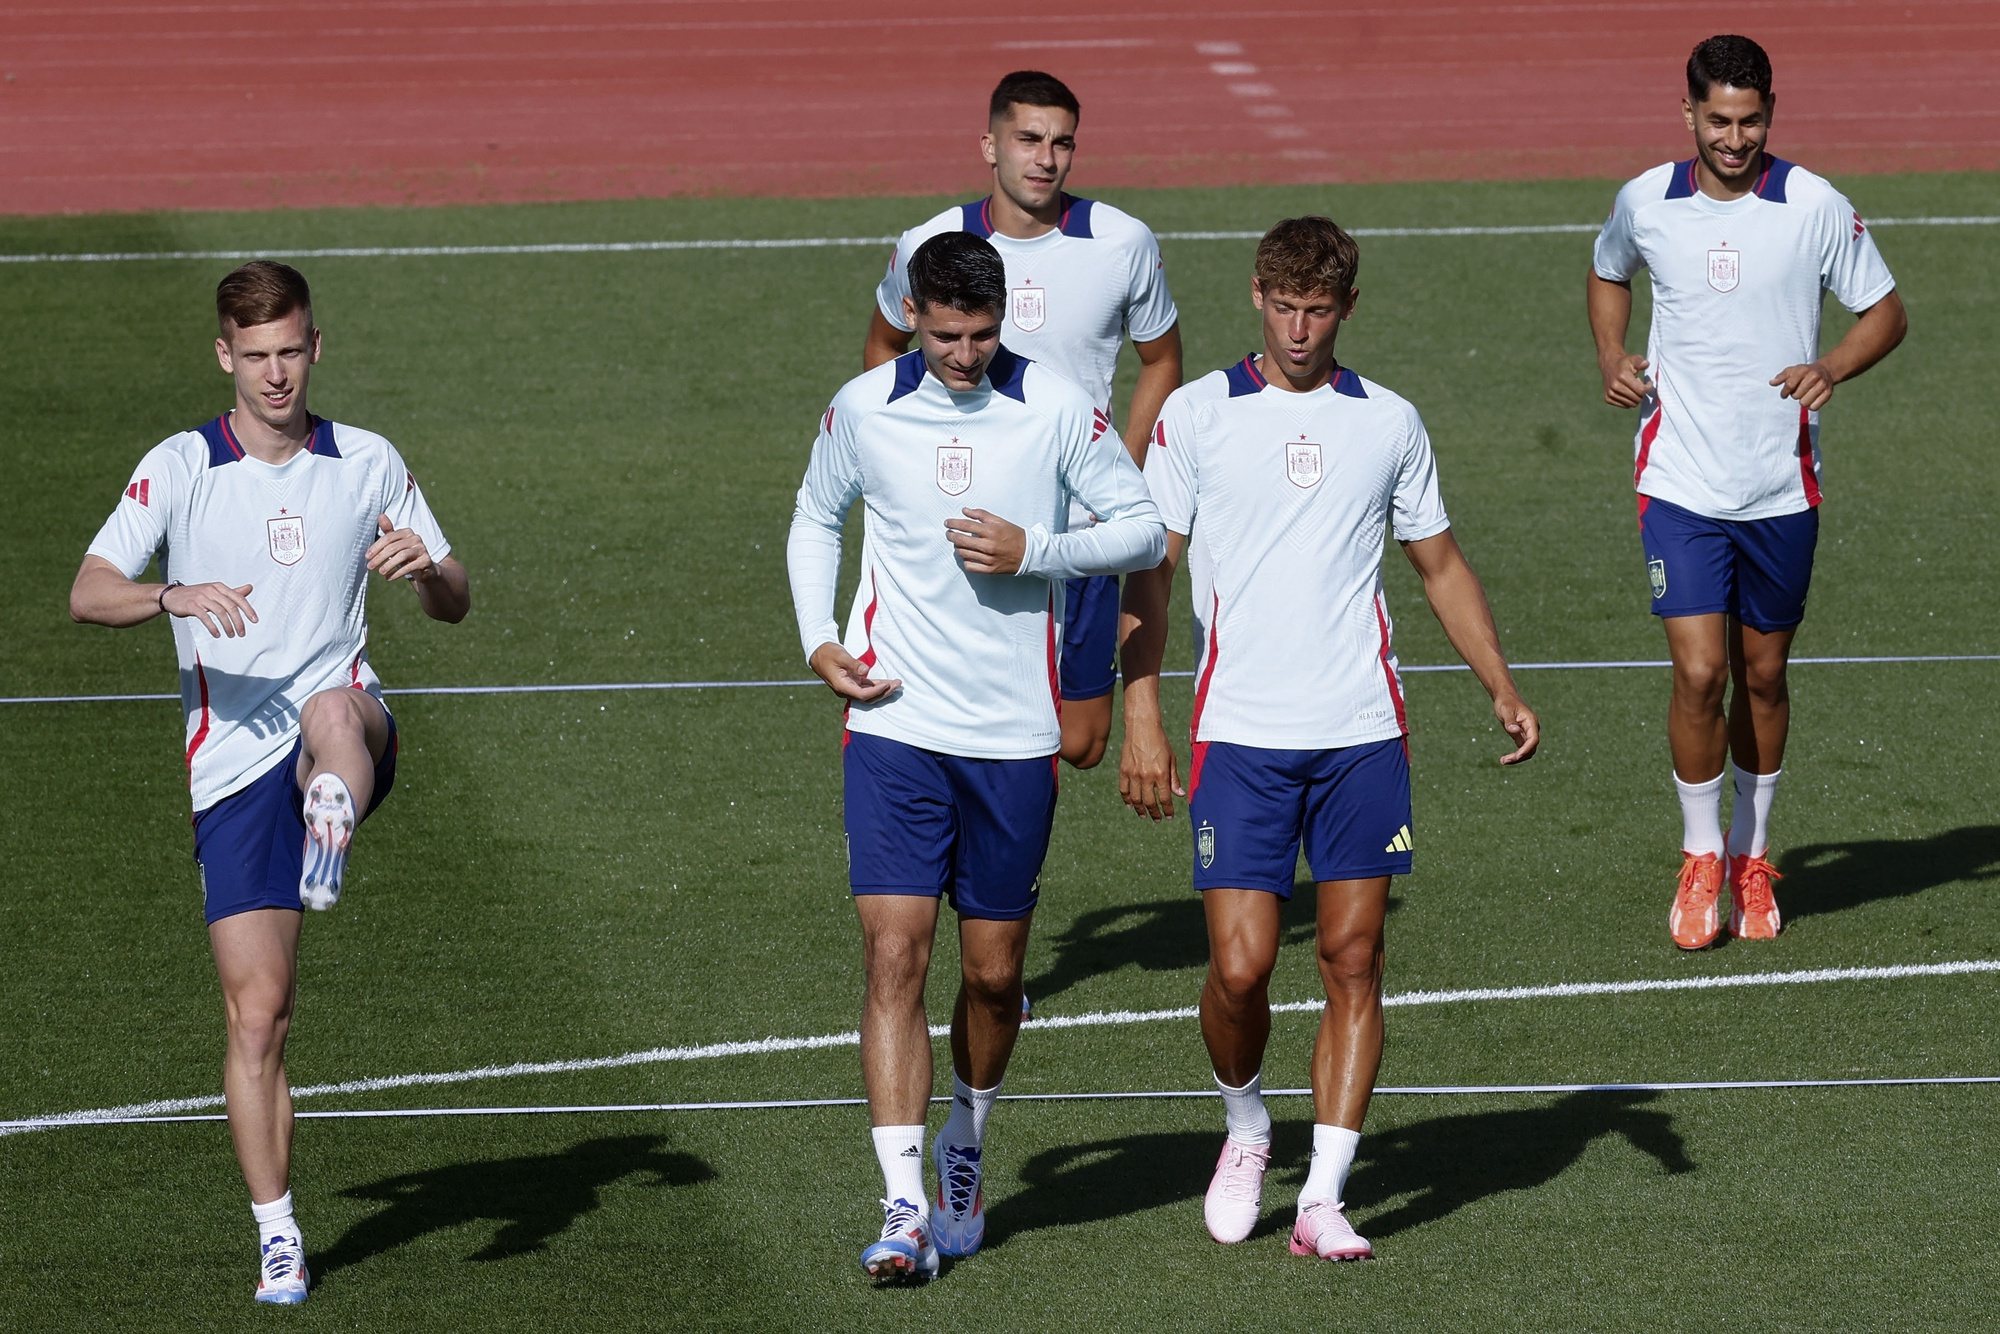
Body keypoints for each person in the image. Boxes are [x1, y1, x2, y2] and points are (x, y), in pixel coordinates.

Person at [1119, 217, 1539, 1262]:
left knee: (1354, 955)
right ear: (1255, 293)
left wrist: (1498, 682)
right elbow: (1152, 571)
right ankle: (1247, 1124)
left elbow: (1437, 563)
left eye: (1318, 310)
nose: (1299, 328)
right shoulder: (1195, 413)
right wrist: (1141, 713)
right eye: (1283, 305)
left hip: (1360, 730)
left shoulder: (1387, 422)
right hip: (1240, 733)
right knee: (1240, 965)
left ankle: (1325, 1197)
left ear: (1345, 308)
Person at [69, 261, 470, 1304]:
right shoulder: (180, 466)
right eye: (256, 356)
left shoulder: (367, 459)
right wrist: (172, 593)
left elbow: (455, 595)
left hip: (343, 721)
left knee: (333, 709)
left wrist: (424, 566)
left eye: (291, 350)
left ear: (315, 346)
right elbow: (88, 590)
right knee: (259, 1016)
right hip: (231, 765)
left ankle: (332, 808)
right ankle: (279, 1234)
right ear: (224, 357)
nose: (277, 373)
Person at [793, 231, 1164, 1281]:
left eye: (984, 334)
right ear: (911, 314)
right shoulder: (864, 407)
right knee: (894, 955)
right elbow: (815, 514)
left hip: (1011, 738)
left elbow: (1141, 528)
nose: (964, 355)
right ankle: (902, 1201)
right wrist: (816, 636)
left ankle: (966, 1131)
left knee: (992, 977)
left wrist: (1034, 549)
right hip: (894, 725)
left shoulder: (1051, 407)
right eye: (946, 334)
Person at [1587, 34, 1906, 949]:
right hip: (1678, 481)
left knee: (1764, 675)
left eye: (1751, 119)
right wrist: (1613, 355)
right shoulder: (1644, 201)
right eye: (1719, 120)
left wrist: (1833, 366)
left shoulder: (1814, 207)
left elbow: (1885, 309)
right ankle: (1700, 858)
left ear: (1772, 111)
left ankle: (1754, 853)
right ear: (1686, 112)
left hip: (1780, 486)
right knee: (1700, 671)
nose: (1735, 137)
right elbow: (1608, 271)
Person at [864, 69, 1182, 771]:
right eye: (1028, 139)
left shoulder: (1122, 243)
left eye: (1061, 143)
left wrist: (1120, 473)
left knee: (1080, 741)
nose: (1045, 159)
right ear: (989, 145)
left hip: (1077, 533)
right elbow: (884, 345)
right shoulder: (933, 240)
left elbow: (1162, 361)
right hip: (965, 523)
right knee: (986, 727)